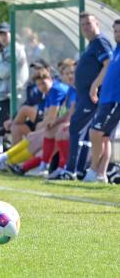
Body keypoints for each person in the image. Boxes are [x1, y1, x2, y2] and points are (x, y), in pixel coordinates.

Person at [57, 12, 113, 180]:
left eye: (89, 23)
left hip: (92, 96)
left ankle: (71, 170)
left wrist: (94, 86)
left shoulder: (100, 42)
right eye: (82, 25)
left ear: (97, 23)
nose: (86, 28)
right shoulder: (92, 44)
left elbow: (108, 64)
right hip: (85, 95)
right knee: (82, 130)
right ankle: (80, 170)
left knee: (76, 127)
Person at [0, 69, 68, 173]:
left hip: (66, 129)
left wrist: (39, 131)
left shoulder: (56, 90)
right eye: (39, 85)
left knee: (36, 138)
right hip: (59, 127)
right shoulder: (50, 92)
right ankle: (7, 162)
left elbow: (51, 117)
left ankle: (4, 161)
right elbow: (48, 116)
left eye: (43, 83)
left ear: (50, 79)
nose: (42, 87)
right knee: (18, 129)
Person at [85, 19, 120, 182]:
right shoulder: (116, 50)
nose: (117, 34)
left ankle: (92, 170)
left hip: (115, 101)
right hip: (106, 99)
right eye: (115, 31)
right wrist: (97, 87)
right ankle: (101, 174)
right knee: (104, 137)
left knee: (96, 132)